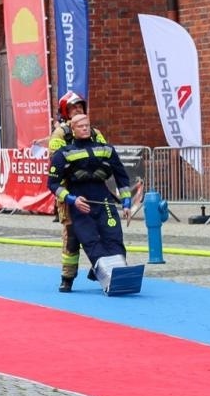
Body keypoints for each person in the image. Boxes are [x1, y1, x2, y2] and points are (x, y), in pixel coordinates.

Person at [47, 112, 141, 292]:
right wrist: (72, 199)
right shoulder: (63, 154)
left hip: (103, 199)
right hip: (79, 201)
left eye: (87, 125)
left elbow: (121, 177)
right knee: (86, 239)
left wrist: (127, 203)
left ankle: (118, 273)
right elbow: (52, 183)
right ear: (72, 130)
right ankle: (68, 278)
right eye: (80, 126)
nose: (85, 128)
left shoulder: (106, 150)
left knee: (114, 234)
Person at [48, 92, 106, 292]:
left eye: (80, 107)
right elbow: (56, 160)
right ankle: (67, 277)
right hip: (70, 192)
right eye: (73, 108)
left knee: (100, 231)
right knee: (72, 236)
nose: (78, 110)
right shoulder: (60, 134)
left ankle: (99, 269)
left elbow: (105, 152)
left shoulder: (95, 132)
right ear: (66, 111)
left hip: (94, 189)